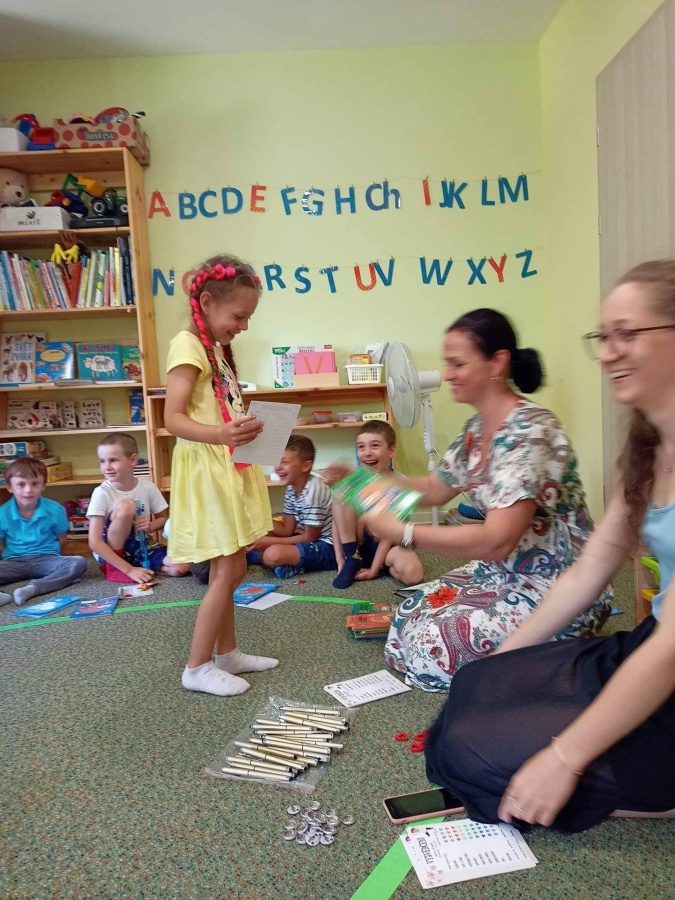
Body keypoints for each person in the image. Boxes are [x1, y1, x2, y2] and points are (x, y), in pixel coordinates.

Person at [424, 262, 675, 832]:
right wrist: (504, 662)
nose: (607, 353)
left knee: (470, 756)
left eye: (627, 334)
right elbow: (590, 570)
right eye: (602, 337)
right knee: (474, 687)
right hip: (650, 642)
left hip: (667, 657)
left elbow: (672, 645)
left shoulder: (532, 428)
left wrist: (565, 758)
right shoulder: (647, 444)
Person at [361, 308, 612, 692]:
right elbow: (436, 488)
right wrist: (367, 484)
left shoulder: (532, 432)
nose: (447, 374)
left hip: (557, 583)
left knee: (431, 644)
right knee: (408, 615)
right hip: (501, 572)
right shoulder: (476, 430)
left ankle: (574, 646)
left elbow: (497, 540)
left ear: (498, 362)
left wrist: (404, 532)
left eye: (457, 363)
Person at [164, 255, 278, 697]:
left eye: (248, 318)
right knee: (227, 568)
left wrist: (243, 427)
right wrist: (221, 433)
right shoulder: (187, 345)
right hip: (206, 468)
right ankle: (196, 667)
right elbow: (173, 418)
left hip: (224, 463)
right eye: (239, 316)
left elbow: (218, 408)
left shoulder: (215, 348)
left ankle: (226, 653)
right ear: (207, 303)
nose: (244, 326)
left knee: (233, 564)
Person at [332, 420, 424, 589]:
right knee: (341, 493)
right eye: (361, 447)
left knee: (414, 575)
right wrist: (340, 560)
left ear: (391, 451)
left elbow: (390, 535)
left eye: (374, 446)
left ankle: (382, 566)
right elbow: (337, 523)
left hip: (391, 542)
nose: (367, 453)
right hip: (359, 542)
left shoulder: (401, 483)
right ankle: (353, 558)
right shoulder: (352, 481)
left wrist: (373, 571)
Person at [87, 433, 185, 582]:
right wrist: (129, 570)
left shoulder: (148, 487)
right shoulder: (102, 493)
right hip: (109, 552)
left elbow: (163, 518)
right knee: (127, 505)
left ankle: (139, 566)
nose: (106, 467)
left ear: (133, 460)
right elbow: (94, 542)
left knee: (181, 567)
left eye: (113, 460)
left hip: (141, 545)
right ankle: (117, 568)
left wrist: (150, 526)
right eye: (102, 461)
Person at [0, 457, 87, 606]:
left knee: (78, 562)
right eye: (21, 484)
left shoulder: (55, 509)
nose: (28, 490)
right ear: (10, 487)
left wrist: (54, 558)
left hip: (46, 559)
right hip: (13, 561)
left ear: (43, 485)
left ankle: (33, 589)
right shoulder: (2, 512)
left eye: (35, 484)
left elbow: (62, 540)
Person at [247, 435, 336, 579]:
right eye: (277, 461)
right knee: (258, 534)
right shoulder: (292, 487)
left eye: (285, 462)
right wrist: (257, 518)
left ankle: (256, 557)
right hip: (308, 539)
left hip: (329, 547)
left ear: (306, 466)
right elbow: (286, 530)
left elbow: (310, 537)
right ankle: (286, 562)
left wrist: (270, 542)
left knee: (273, 554)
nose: (278, 467)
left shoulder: (314, 490)